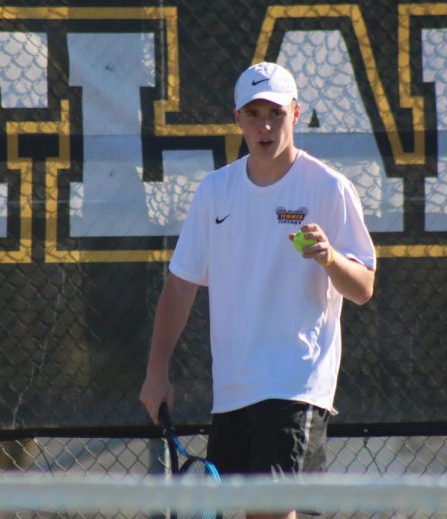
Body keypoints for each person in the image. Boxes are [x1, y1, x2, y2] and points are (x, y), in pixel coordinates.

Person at [139, 62, 376, 519]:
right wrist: (156, 372)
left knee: (269, 513)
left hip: (295, 383)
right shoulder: (215, 191)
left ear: (296, 113)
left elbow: (363, 287)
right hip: (232, 392)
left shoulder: (329, 188)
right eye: (253, 113)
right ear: (238, 119)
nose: (264, 125)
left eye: (275, 113)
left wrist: (329, 258)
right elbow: (181, 284)